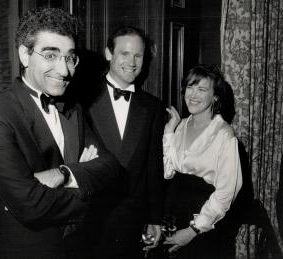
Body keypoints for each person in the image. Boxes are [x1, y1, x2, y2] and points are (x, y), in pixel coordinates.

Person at [0, 8, 121, 259]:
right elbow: (31, 206)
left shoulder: (73, 107)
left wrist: (64, 173)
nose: (64, 70)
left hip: (78, 246)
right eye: (50, 55)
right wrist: (89, 182)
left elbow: (110, 166)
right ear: (24, 55)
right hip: (28, 249)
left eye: (70, 57)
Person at [84, 26, 165, 259]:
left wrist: (154, 218)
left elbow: (153, 166)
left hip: (131, 221)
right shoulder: (81, 98)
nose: (132, 62)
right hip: (89, 219)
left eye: (138, 55)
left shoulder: (153, 107)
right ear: (109, 53)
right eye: (124, 53)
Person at [161, 65, 243, 259]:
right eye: (190, 87)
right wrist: (169, 132)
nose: (193, 95)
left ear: (215, 97)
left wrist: (192, 231)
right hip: (173, 216)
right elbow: (167, 172)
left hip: (205, 226)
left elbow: (226, 193)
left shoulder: (224, 135)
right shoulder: (180, 126)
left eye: (202, 89)